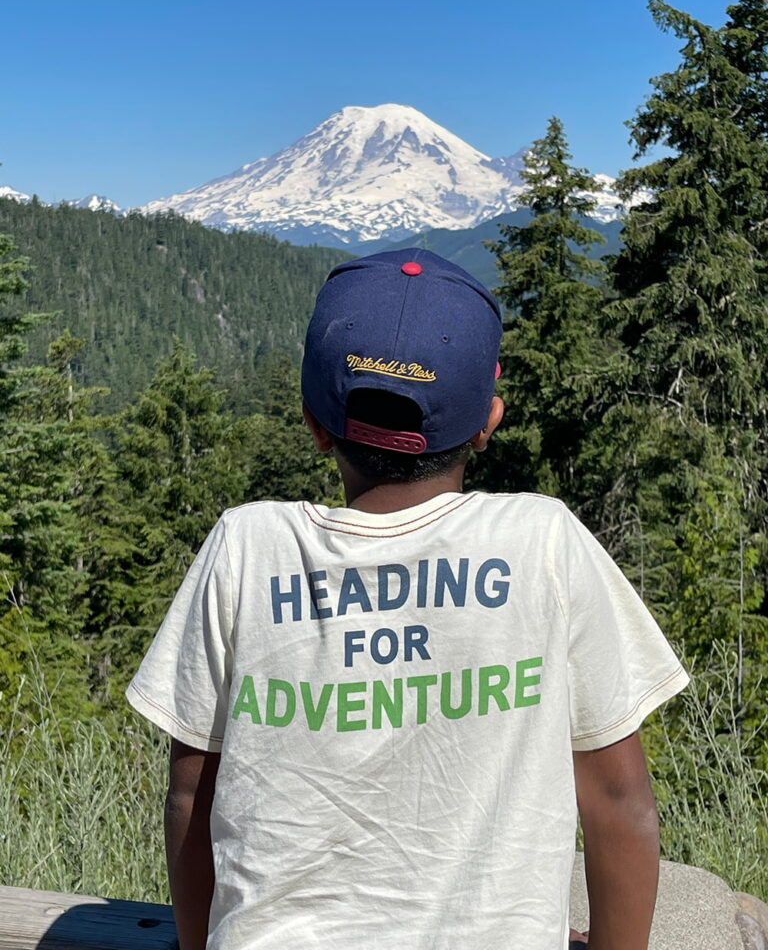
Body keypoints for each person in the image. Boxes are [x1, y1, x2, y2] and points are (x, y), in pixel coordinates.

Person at [127, 248, 689, 950]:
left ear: (312, 420)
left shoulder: (246, 547)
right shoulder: (543, 542)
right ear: (489, 420)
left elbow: (191, 798)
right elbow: (618, 805)